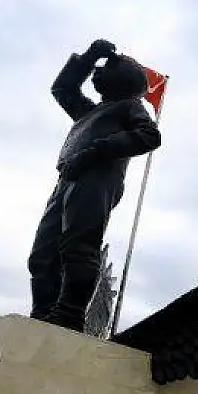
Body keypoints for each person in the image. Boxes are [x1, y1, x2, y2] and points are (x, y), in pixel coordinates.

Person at [28, 38, 162, 332]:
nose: (98, 71)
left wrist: (95, 152)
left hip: (96, 180)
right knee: (42, 254)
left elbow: (150, 136)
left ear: (126, 79)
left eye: (107, 67)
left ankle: (69, 313)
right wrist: (87, 58)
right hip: (66, 180)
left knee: (79, 246)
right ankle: (42, 313)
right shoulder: (89, 112)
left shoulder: (129, 107)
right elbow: (62, 89)